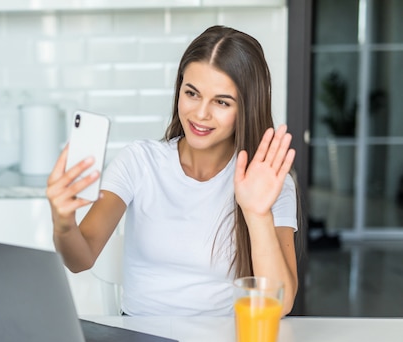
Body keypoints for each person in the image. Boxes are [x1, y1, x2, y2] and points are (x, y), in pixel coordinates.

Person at [46, 25, 298, 317]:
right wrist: (63, 223)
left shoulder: (268, 181)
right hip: (141, 341)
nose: (200, 113)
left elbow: (278, 307)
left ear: (247, 107)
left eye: (221, 102)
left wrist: (257, 214)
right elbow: (80, 259)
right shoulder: (138, 162)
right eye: (192, 93)